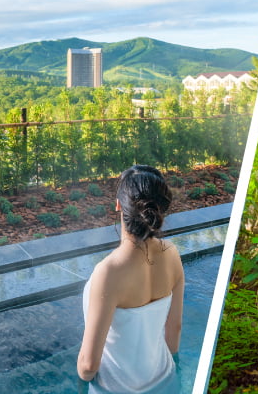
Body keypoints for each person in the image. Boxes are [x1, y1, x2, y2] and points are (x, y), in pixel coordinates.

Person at [78, 165, 184, 394]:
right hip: (166, 380)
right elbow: (174, 331)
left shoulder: (108, 272)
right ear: (161, 209)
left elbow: (88, 366)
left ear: (118, 205)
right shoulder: (173, 255)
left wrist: (81, 379)